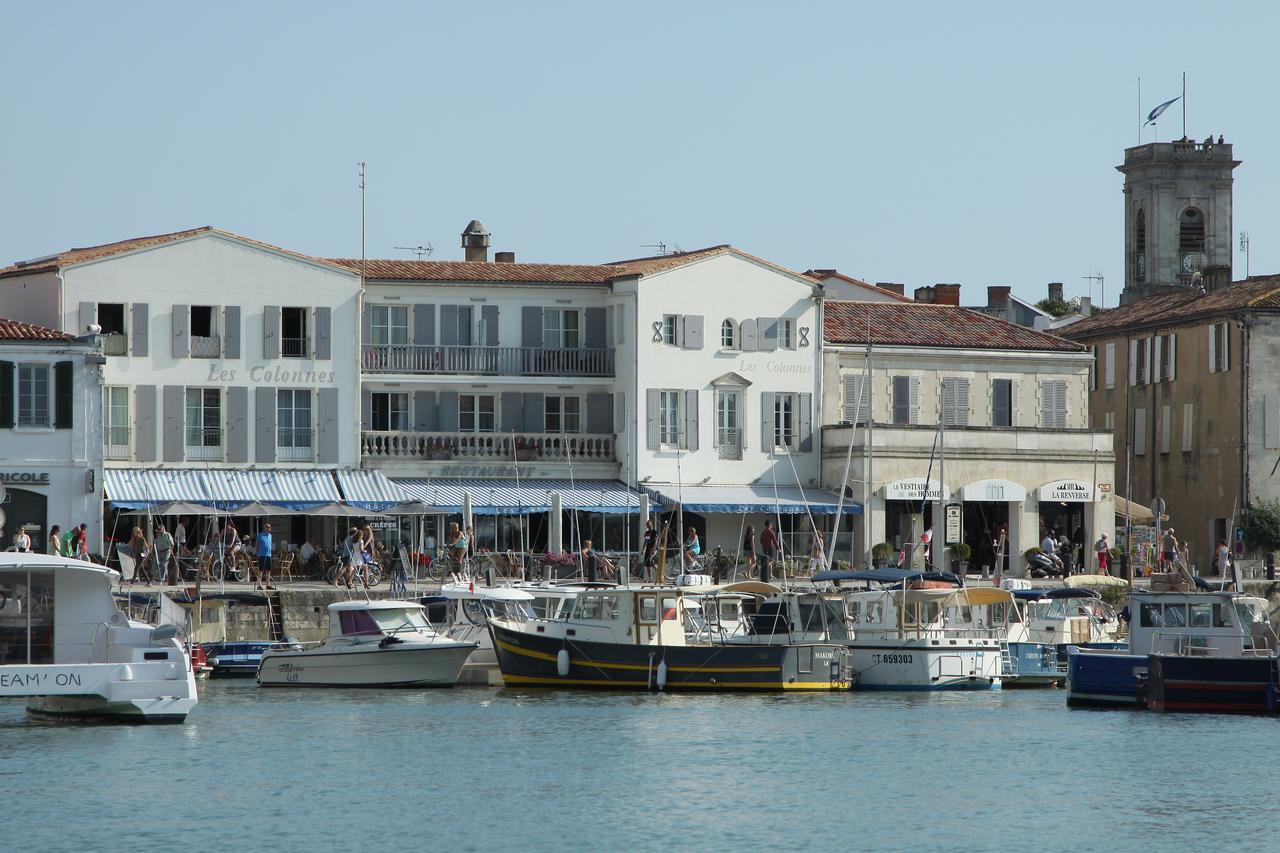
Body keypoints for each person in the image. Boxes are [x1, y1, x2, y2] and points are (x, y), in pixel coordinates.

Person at [760, 519, 779, 583]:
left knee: (767, 560)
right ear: (769, 524)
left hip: (764, 548)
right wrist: (778, 548)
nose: (771, 525)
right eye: (771, 524)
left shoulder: (763, 532)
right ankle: (765, 570)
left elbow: (761, 541)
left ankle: (770, 574)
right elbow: (774, 540)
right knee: (771, 560)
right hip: (770, 547)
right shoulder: (771, 531)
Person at [256, 523, 274, 590]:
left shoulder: (270, 535)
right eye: (267, 527)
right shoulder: (260, 535)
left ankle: (268, 584)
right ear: (264, 528)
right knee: (261, 570)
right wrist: (258, 553)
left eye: (269, 527)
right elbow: (257, 545)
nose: (269, 528)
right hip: (262, 554)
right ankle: (259, 584)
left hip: (268, 554)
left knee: (268, 570)